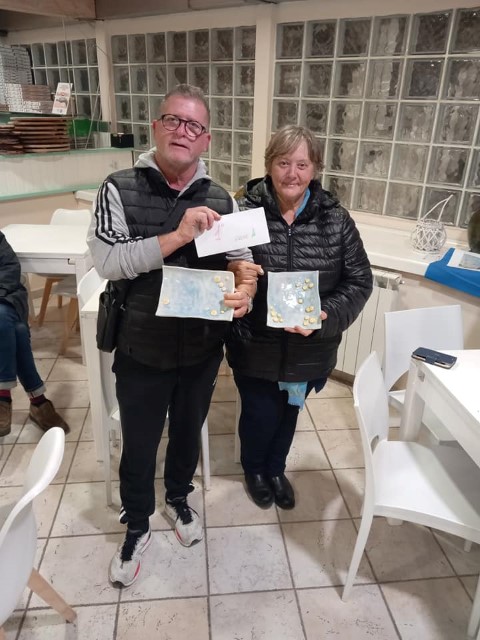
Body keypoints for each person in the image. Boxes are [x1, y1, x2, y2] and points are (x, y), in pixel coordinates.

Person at [87, 84, 255, 588]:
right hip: (141, 344)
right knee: (139, 442)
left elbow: (240, 260)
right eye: (174, 121)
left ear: (206, 140)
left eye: (194, 125)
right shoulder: (118, 187)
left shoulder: (221, 197)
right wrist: (179, 234)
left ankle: (178, 497)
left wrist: (246, 287)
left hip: (202, 347)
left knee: (187, 433)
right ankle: (137, 522)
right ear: (156, 127)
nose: (183, 131)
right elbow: (109, 261)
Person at [226, 125, 373, 510]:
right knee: (258, 414)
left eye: (302, 164)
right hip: (255, 343)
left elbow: (360, 280)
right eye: (283, 163)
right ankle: (255, 470)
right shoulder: (243, 213)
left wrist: (325, 314)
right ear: (269, 165)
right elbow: (221, 267)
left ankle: (276, 469)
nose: (292, 173)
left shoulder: (335, 220)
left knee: (289, 412)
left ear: (315, 169)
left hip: (311, 347)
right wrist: (236, 282)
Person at [0, 231, 70, 437]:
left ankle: (3, 398)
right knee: (18, 330)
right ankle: (38, 402)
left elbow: (10, 268)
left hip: (5, 297)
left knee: (4, 319)